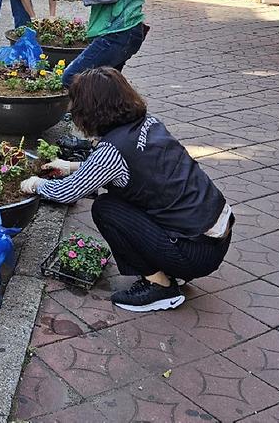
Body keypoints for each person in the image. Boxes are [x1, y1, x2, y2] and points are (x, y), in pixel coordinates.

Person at [20, 68, 233, 312]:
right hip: (213, 237)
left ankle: (160, 287)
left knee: (106, 208)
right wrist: (71, 166)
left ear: (90, 109)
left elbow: (68, 192)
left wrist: (36, 184)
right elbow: (138, 172)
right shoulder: (148, 123)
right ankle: (170, 268)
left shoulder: (112, 152)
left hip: (194, 252)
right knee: (123, 197)